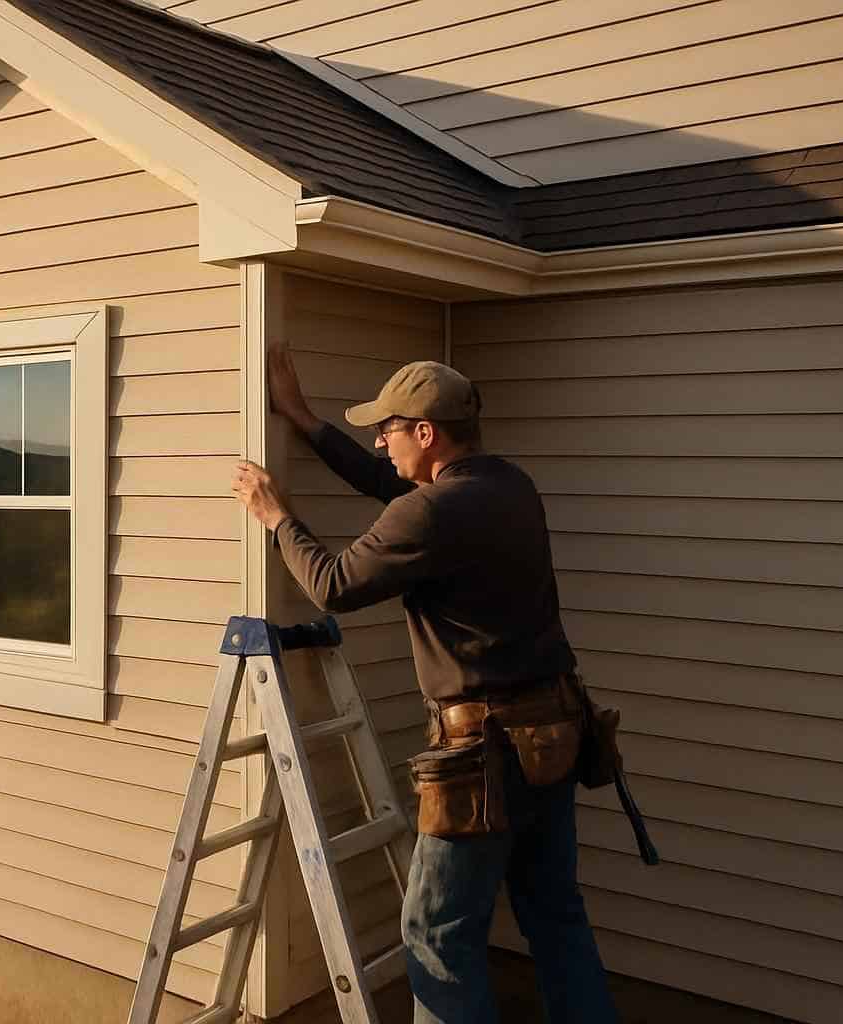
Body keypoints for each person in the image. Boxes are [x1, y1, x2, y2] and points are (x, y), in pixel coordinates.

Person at [231, 347, 619, 1024]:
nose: (380, 440)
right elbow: (392, 486)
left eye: (389, 428)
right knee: (556, 918)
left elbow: (335, 584)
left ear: (426, 433)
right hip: (552, 738)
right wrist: (303, 420)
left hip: (484, 758)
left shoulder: (432, 514)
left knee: (436, 939)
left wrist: (276, 518)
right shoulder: (509, 487)